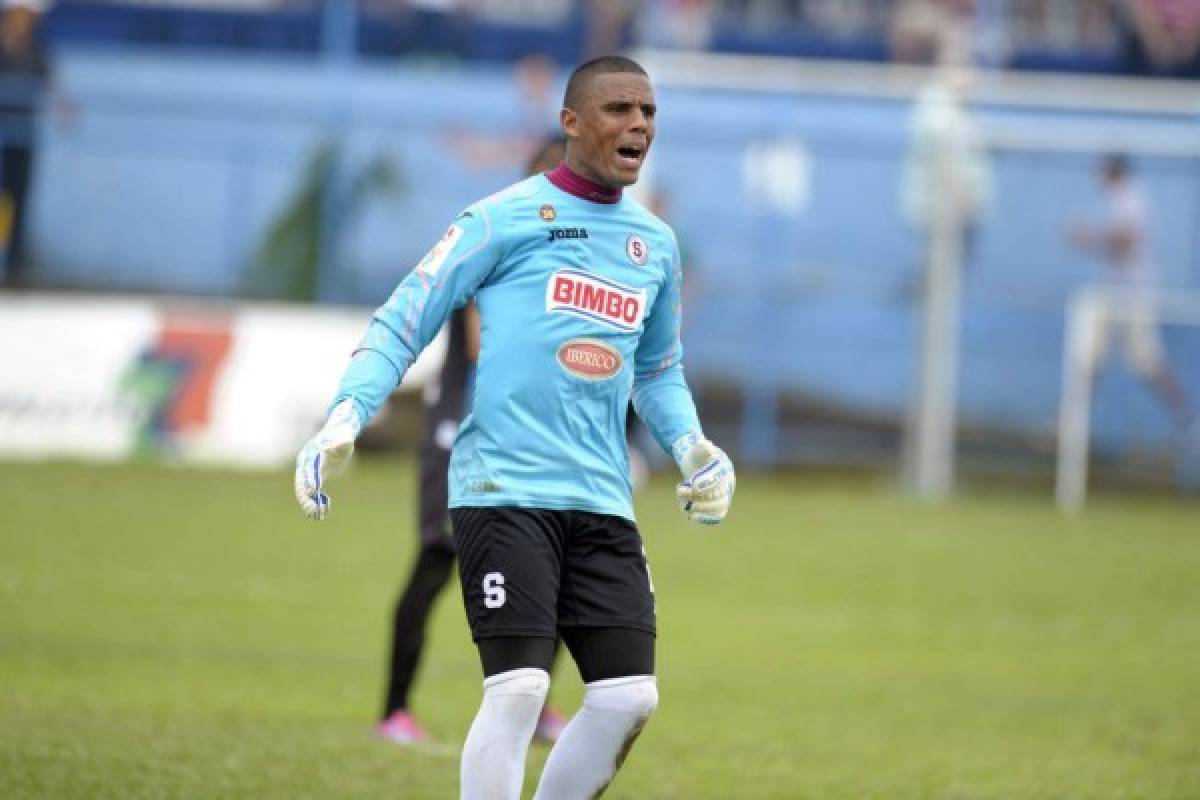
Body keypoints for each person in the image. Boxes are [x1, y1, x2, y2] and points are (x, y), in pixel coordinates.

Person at [294, 55, 735, 800]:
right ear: (571, 122)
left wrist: (694, 446)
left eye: (649, 113)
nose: (639, 125)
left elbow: (658, 371)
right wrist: (346, 413)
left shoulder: (655, 245)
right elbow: (405, 319)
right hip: (502, 488)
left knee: (630, 697)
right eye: (620, 109)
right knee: (521, 687)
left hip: (600, 499)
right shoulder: (499, 220)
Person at [376, 136, 574, 747]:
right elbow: (486, 348)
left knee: (560, 565)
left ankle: (532, 705)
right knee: (438, 561)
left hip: (528, 429)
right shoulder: (502, 240)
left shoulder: (578, 252)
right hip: (461, 424)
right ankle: (395, 712)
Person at [1066, 153, 1193, 431]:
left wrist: (1087, 237)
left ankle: (1188, 418)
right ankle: (1069, 425)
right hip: (1115, 292)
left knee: (1146, 362)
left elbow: (1127, 242)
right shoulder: (1121, 198)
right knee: (1088, 356)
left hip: (1133, 295)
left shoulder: (1131, 197)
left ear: (1113, 171)